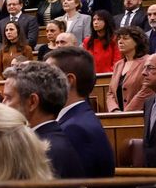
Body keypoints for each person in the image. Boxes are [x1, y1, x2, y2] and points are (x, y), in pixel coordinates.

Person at [0, 61, 89, 178]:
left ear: (32, 102)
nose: (2, 104)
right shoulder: (49, 142)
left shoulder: (45, 152)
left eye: (8, 98)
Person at [43, 46, 117, 177]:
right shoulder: (78, 117)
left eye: (47, 75)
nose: (41, 81)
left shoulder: (74, 128)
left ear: (69, 81)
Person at [106, 26, 151, 112]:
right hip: (118, 116)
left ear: (137, 42)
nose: (120, 42)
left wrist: (127, 113)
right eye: (119, 39)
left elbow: (147, 90)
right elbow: (110, 92)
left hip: (139, 114)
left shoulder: (148, 61)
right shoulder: (118, 65)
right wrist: (114, 110)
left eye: (125, 38)